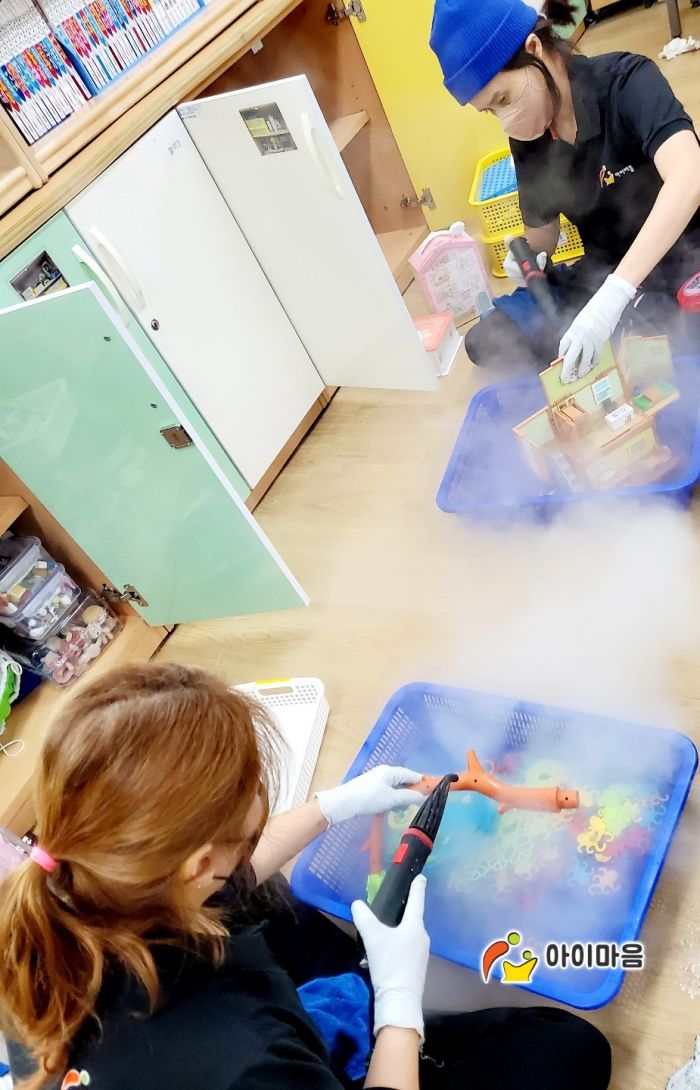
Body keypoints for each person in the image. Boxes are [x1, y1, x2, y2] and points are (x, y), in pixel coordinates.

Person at [0, 663, 612, 1090]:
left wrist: (333, 806)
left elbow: (230, 875)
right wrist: (399, 1004)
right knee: (565, 1049)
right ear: (198, 863)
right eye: (247, 792)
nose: (258, 797)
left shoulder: (49, 909)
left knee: (267, 900)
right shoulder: (249, 1060)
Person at [430, 0, 700, 382]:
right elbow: (542, 236)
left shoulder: (626, 82)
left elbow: (689, 176)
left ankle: (632, 327)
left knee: (681, 334)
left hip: (680, 260)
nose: (504, 120)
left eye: (502, 99)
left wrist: (616, 295)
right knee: (488, 339)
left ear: (534, 50)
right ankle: (626, 333)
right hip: (599, 274)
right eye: (490, 111)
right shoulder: (530, 135)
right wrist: (527, 258)